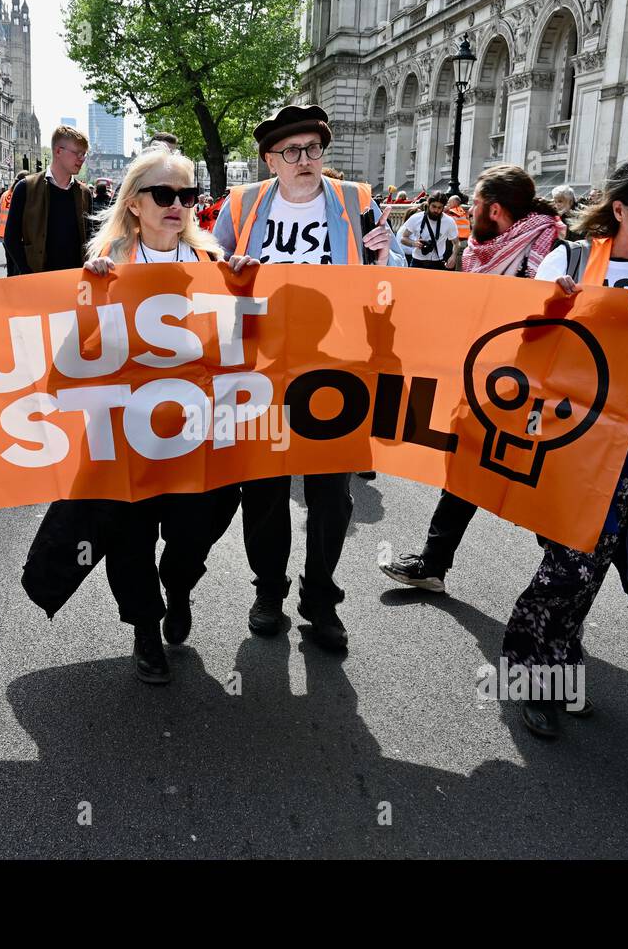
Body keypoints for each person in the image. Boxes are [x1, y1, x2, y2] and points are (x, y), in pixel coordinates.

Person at [507, 151, 628, 738]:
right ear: (619, 208)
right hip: (562, 440)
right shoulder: (567, 262)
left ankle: (557, 663)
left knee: (585, 569)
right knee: (570, 565)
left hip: (626, 448)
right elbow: (519, 353)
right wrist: (550, 311)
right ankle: (532, 671)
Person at [43, 147, 251, 684]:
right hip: (124, 437)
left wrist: (244, 293)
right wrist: (92, 297)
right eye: (164, 194)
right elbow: (69, 361)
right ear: (135, 204)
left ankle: (178, 586)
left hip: (195, 436)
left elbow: (244, 350)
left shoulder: (214, 266)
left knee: (195, 531)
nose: (177, 205)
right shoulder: (108, 268)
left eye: (187, 195)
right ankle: (144, 628)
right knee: (129, 538)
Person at [212, 103, 399, 652]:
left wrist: (389, 257)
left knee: (332, 494)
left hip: (336, 365)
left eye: (314, 149)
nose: (304, 160)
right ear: (270, 159)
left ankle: (320, 598)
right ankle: (269, 589)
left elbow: (393, 286)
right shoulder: (242, 204)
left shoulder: (356, 201)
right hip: (263, 365)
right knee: (265, 489)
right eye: (291, 151)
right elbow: (205, 271)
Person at [380, 165, 566, 594]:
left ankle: (566, 573)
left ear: (496, 210)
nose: (467, 211)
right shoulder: (484, 249)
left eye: (476, 205)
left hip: (534, 387)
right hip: (489, 378)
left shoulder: (551, 247)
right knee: (467, 469)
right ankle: (433, 564)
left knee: (537, 483)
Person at [3, 125, 93, 275]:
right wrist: (27, 272)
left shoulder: (84, 193)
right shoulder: (25, 187)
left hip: (75, 282)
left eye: (84, 154)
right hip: (37, 282)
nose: (82, 159)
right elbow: (11, 238)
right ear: (58, 151)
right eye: (77, 153)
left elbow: (90, 237)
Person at [400, 190, 457, 270]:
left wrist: (453, 256)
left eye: (439, 208)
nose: (436, 210)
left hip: (438, 263)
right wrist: (414, 243)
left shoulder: (449, 221)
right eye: (433, 206)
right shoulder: (416, 218)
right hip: (417, 262)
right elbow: (403, 238)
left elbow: (456, 242)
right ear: (428, 204)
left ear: (443, 207)